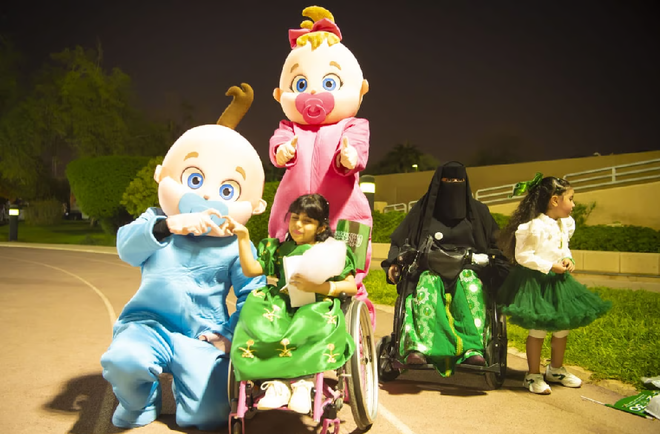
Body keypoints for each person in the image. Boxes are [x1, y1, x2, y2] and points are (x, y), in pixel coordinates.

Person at [100, 84, 268, 430]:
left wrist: (230, 334)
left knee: (209, 418)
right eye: (194, 179)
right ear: (161, 174)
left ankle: (191, 387)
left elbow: (254, 294)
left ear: (255, 206)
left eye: (227, 190)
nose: (206, 195)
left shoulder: (236, 241)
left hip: (203, 334)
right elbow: (127, 248)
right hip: (147, 324)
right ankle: (141, 399)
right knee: (123, 360)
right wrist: (168, 225)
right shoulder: (156, 220)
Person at [268, 6, 376, 327]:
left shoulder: (353, 125)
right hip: (295, 214)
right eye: (301, 85)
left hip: (343, 212)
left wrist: (349, 158)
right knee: (288, 267)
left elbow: (357, 150)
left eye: (330, 82)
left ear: (360, 89)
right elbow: (278, 148)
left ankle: (353, 325)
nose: (314, 92)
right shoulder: (290, 128)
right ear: (280, 94)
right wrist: (283, 151)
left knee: (348, 270)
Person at [224, 193, 357, 415]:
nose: (298, 225)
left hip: (316, 302)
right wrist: (243, 237)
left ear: (321, 227)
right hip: (282, 303)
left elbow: (351, 286)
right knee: (256, 314)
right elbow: (250, 270)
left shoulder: (331, 251)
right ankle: (277, 385)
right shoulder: (279, 249)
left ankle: (303, 384)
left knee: (308, 322)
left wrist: (318, 287)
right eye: (295, 218)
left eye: (307, 221)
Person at [382, 161, 506, 375]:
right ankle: (419, 348)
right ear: (438, 183)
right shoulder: (422, 211)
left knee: (470, 283)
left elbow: (497, 245)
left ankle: (472, 348)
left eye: (459, 180)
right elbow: (400, 241)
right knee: (427, 283)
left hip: (469, 267)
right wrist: (394, 262)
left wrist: (496, 263)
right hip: (429, 267)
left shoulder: (479, 212)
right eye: (448, 180)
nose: (454, 185)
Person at [497, 173, 611, 395]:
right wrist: (549, 265)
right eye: (571, 199)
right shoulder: (532, 227)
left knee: (562, 327)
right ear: (555, 200)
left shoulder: (565, 224)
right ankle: (533, 374)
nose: (574, 204)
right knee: (539, 328)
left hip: (559, 283)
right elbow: (523, 256)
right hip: (537, 283)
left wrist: (568, 258)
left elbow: (563, 246)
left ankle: (556, 369)